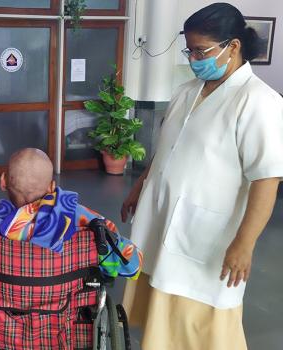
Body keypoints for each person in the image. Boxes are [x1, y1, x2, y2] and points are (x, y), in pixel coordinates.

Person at [120, 3, 283, 349]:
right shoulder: (188, 91)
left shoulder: (258, 102)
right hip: (161, 217)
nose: (193, 59)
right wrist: (140, 184)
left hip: (206, 234)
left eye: (201, 50)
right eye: (189, 50)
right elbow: (168, 147)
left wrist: (245, 243)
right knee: (158, 299)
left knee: (201, 322)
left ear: (233, 47)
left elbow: (267, 179)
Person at [0, 148, 142, 280]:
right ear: (51, 187)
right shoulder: (75, 216)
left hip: (4, 302)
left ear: (3, 181)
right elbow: (121, 253)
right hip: (65, 304)